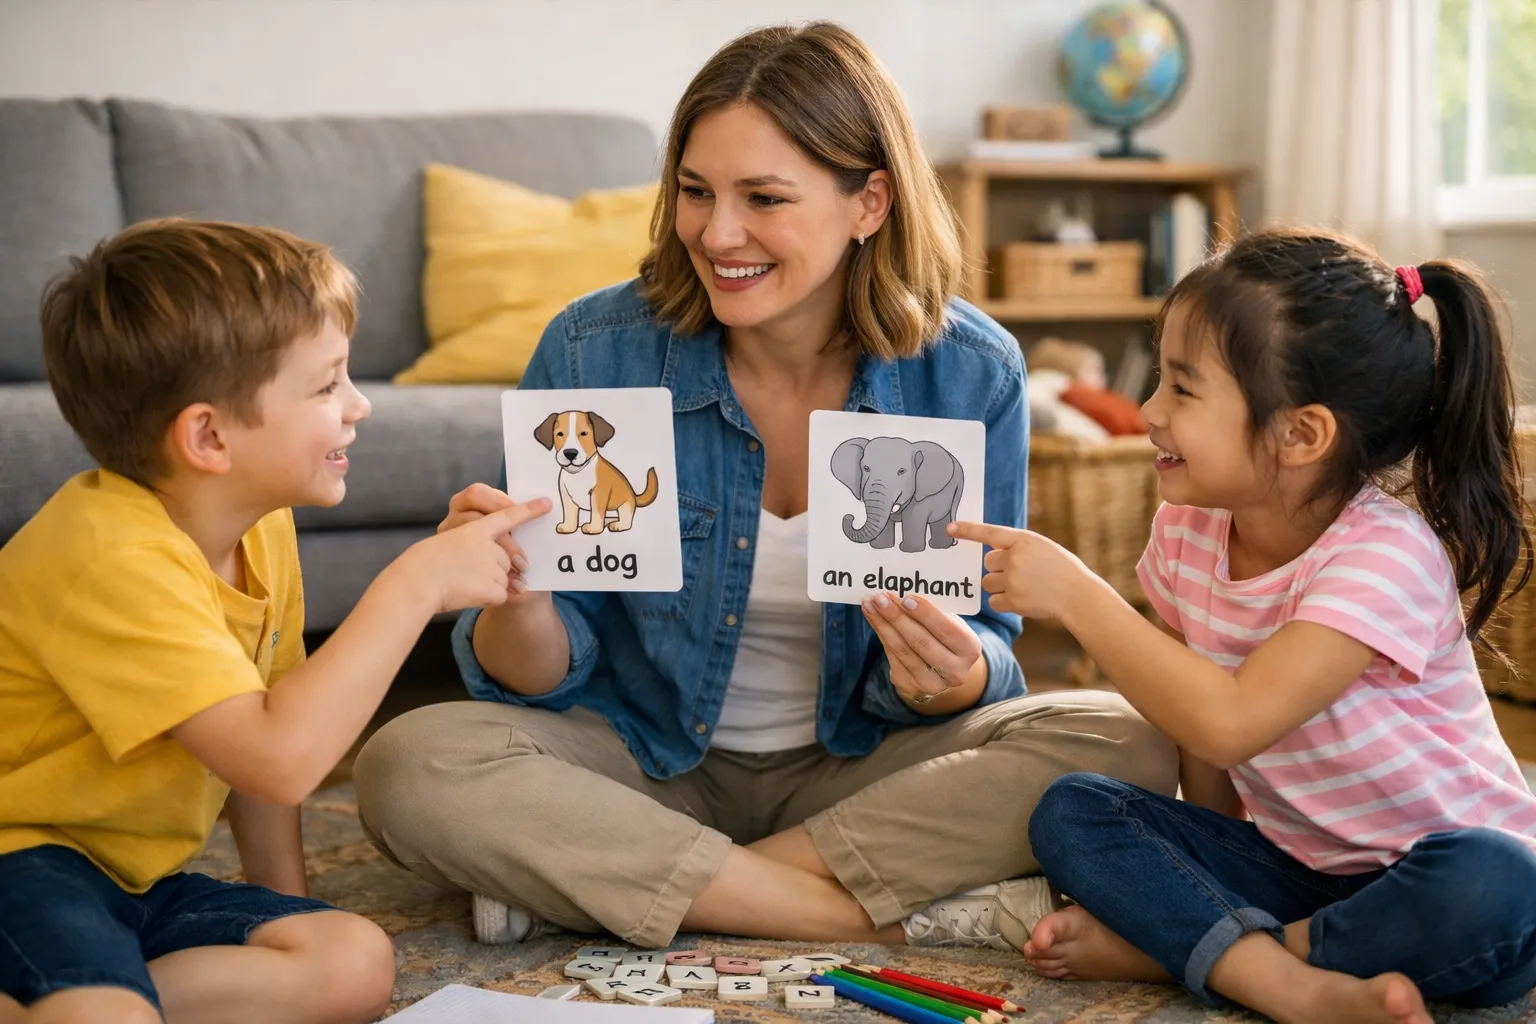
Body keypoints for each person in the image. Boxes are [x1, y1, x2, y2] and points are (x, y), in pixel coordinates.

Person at [352, 22, 1176, 955]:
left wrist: (955, 676)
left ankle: (613, 883)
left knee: (1131, 743)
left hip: (859, 770)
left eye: (764, 198)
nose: (717, 233)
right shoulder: (594, 351)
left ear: (869, 202)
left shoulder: (971, 371)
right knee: (410, 764)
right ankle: (850, 910)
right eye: (695, 191)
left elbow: (988, 644)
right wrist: (519, 600)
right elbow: (536, 676)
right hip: (641, 764)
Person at [951, 228, 1536, 1023]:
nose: (1149, 411)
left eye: (1183, 389)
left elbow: (1230, 721)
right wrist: (1207, 861)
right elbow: (1200, 733)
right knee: (1075, 809)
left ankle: (1230, 958)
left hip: (1441, 882)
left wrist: (1080, 597)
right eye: (1159, 377)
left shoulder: (1383, 556)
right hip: (1300, 868)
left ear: (1302, 434)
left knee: (1501, 881)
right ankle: (1265, 959)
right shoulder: (1187, 531)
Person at [0, 220, 546, 1024]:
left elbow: (272, 730)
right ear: (209, 435)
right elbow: (279, 759)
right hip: (22, 858)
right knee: (105, 1014)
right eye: (327, 387)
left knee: (351, 960)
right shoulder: (111, 556)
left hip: (133, 877)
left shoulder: (258, 527)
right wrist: (413, 587)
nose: (359, 404)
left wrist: (285, 910)